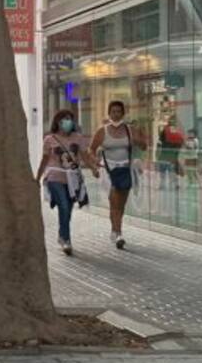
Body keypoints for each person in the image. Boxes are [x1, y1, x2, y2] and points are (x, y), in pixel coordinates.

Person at [36, 109, 96, 255]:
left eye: (69, 119)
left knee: (68, 208)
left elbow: (84, 156)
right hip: (54, 176)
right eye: (64, 119)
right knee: (63, 205)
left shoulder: (78, 138)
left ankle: (62, 235)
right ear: (57, 122)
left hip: (72, 179)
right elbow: (45, 159)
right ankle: (66, 240)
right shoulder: (49, 139)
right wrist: (38, 177)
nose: (67, 122)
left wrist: (93, 168)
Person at [90, 100, 147, 249]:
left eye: (119, 112)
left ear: (123, 113)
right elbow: (92, 149)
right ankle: (118, 233)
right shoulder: (102, 131)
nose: (116, 114)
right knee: (114, 201)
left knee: (120, 203)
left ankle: (115, 230)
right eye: (113, 111)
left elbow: (144, 146)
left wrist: (139, 138)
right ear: (109, 113)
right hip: (108, 170)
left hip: (124, 170)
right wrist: (95, 164)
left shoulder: (129, 130)